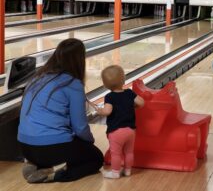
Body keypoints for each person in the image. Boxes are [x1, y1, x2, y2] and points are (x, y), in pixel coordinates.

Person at [18, 38, 104, 183]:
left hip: (24, 147)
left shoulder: (36, 77)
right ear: (79, 60)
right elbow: (80, 127)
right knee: (96, 158)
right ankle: (54, 176)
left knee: (64, 142)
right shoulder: (73, 83)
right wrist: (89, 143)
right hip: (50, 148)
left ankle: (37, 165)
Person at [89, 65, 144, 179]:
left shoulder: (109, 96)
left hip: (116, 131)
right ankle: (128, 170)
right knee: (129, 152)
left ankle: (115, 173)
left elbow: (108, 111)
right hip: (130, 130)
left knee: (116, 154)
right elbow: (141, 103)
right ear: (123, 80)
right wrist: (133, 106)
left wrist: (100, 111)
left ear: (105, 85)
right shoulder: (129, 93)